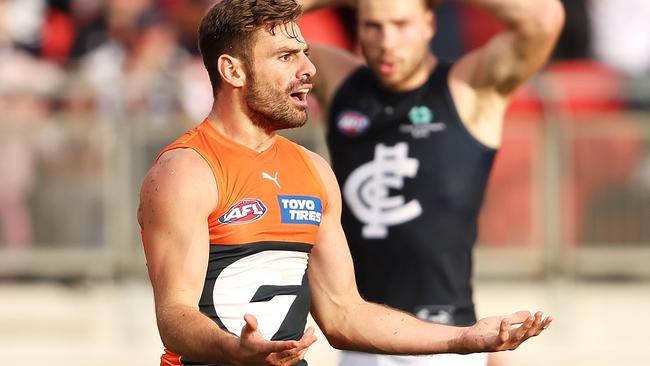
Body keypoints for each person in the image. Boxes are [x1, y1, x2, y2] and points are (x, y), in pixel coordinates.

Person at [137, 1, 554, 365]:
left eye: (304, 53)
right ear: (232, 70)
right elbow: (174, 317)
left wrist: (464, 339)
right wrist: (235, 351)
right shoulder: (185, 171)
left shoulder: (313, 172)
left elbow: (343, 313)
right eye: (286, 57)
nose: (309, 69)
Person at [299, 0, 565, 365]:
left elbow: (543, 18)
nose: (387, 41)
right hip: (361, 340)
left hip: (449, 341)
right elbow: (248, 21)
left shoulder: (467, 88)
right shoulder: (340, 82)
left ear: (429, 23)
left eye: (401, 24)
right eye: (373, 26)